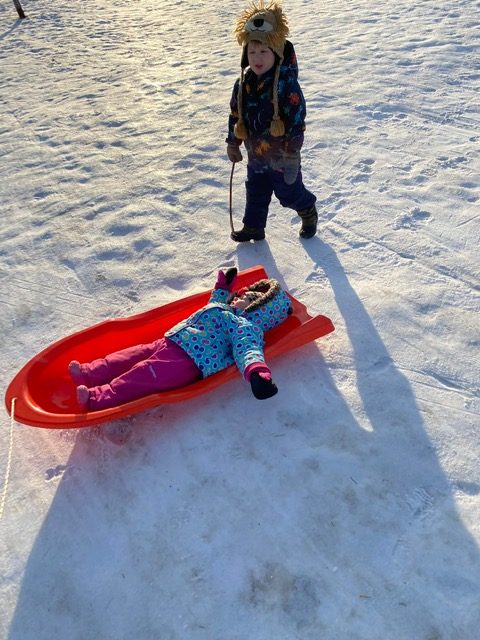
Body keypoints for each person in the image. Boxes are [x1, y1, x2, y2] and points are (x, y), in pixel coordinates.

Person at [69, 268, 292, 411]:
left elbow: (248, 349)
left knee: (141, 375)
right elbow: (213, 303)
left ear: (258, 309)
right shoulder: (224, 308)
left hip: (188, 361)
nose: (241, 297)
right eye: (242, 294)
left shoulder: (245, 326)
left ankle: (96, 398)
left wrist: (256, 371)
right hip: (170, 340)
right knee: (129, 355)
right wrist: (223, 288)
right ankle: (90, 372)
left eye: (248, 299)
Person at [226, 1, 318, 242]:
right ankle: (254, 227)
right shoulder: (243, 84)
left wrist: (292, 153)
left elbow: (297, 119)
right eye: (252, 51)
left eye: (264, 52)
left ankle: (307, 209)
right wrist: (233, 143)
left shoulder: (285, 84)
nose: (257, 58)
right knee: (255, 191)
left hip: (283, 157)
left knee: (288, 193)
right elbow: (236, 115)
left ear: (276, 52)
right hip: (256, 155)